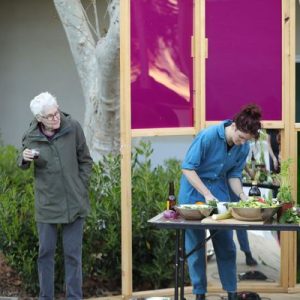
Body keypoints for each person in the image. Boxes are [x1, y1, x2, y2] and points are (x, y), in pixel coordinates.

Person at [178, 104, 262, 300]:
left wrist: (242, 197)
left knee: (226, 244)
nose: (242, 143)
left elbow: (233, 175)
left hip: (220, 191)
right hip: (194, 191)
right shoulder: (207, 136)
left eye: (246, 140)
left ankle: (231, 292)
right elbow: (188, 168)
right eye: (241, 137)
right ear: (233, 126)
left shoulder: (243, 147)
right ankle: (200, 293)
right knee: (195, 247)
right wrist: (206, 194)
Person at [17, 92, 93, 300]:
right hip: (47, 204)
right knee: (45, 254)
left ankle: (74, 298)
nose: (56, 118)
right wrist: (23, 158)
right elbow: (22, 160)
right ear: (40, 119)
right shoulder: (31, 136)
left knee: (73, 256)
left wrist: (80, 185)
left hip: (73, 203)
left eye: (56, 112)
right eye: (50, 116)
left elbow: (85, 160)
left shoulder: (73, 127)